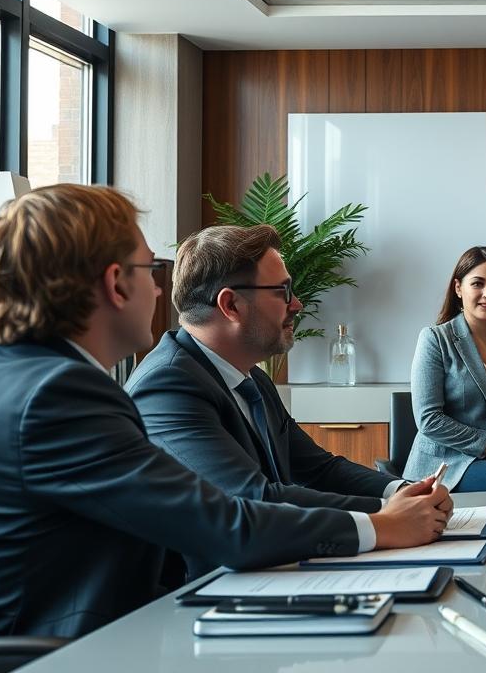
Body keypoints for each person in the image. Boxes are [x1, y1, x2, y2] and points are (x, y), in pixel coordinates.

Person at [0, 185, 448, 639]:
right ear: (115, 283)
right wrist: (381, 527)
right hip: (58, 653)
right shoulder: (57, 395)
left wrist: (388, 507)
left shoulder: (29, 377)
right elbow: (224, 522)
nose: (160, 289)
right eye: (149, 269)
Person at [127, 224, 452, 578]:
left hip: (267, 569)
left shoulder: (251, 377)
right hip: (197, 596)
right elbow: (252, 498)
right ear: (231, 304)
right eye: (283, 291)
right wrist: (386, 516)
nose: (297, 304)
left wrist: (404, 490)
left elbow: (319, 468)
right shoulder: (168, 385)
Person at [405, 246, 486, 492]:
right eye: (478, 284)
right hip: (447, 464)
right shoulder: (435, 339)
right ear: (458, 288)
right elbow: (429, 419)